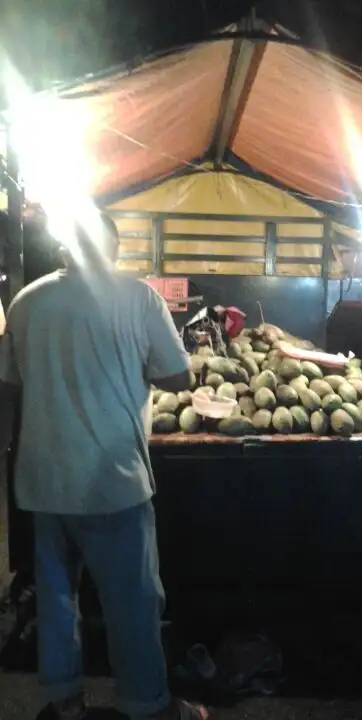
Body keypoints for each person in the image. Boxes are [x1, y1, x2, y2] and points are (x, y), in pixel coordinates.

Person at [0, 212, 208, 720]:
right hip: (111, 483)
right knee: (133, 602)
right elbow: (179, 379)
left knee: (56, 599)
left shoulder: (26, 302)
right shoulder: (138, 297)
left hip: (42, 483)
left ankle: (64, 701)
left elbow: (8, 384)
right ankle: (147, 705)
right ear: (113, 247)